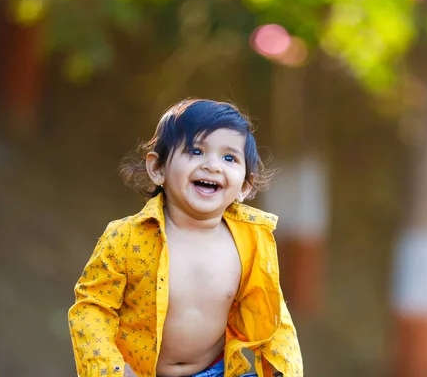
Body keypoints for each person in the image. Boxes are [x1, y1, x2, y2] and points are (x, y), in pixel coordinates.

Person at [68, 99, 302, 377]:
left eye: (229, 158)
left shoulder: (250, 242)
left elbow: (272, 315)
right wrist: (114, 370)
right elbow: (92, 308)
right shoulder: (127, 238)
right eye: (196, 151)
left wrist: (282, 370)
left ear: (245, 185)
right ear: (158, 169)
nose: (213, 166)